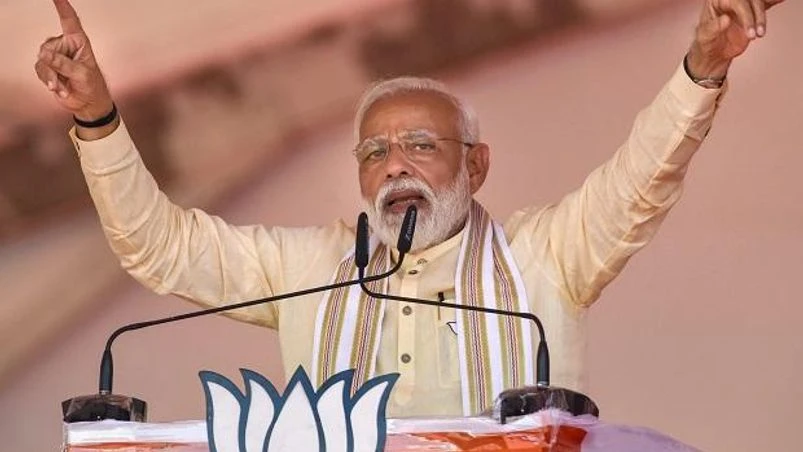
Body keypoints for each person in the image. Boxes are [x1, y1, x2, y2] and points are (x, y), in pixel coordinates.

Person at [35, 0, 784, 418]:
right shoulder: (308, 268)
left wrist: (703, 67)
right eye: (373, 152)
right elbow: (160, 248)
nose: (394, 163)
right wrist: (97, 119)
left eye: (420, 145)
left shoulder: (546, 257)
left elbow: (640, 181)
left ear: (475, 165)